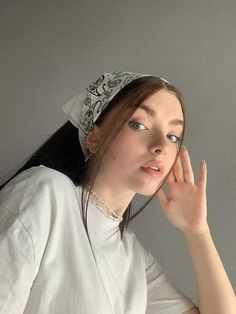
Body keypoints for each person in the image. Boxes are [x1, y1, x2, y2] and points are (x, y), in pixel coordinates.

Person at [0, 71, 235, 314]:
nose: (162, 146)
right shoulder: (45, 193)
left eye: (173, 136)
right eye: (139, 124)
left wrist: (197, 231)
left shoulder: (132, 256)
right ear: (94, 137)